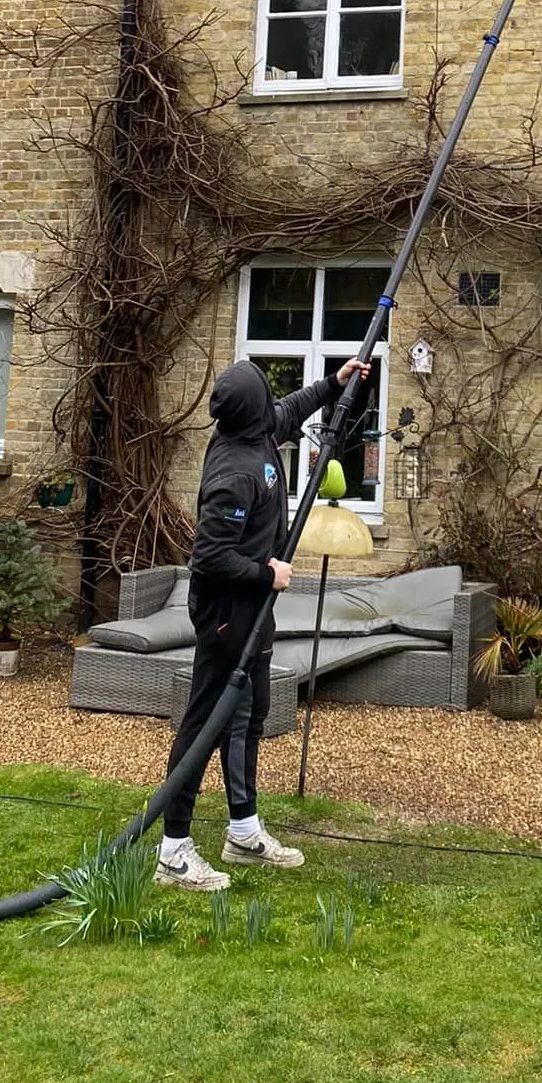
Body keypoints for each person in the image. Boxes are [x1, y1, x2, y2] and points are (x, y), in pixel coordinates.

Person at [154, 352, 369, 891]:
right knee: (207, 721)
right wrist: (264, 572)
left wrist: (331, 383)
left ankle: (242, 831)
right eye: (264, 400)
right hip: (228, 611)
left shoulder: (256, 429)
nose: (274, 408)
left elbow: (289, 409)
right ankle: (172, 850)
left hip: (255, 608)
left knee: (250, 715)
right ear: (250, 414)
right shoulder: (233, 472)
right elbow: (208, 555)